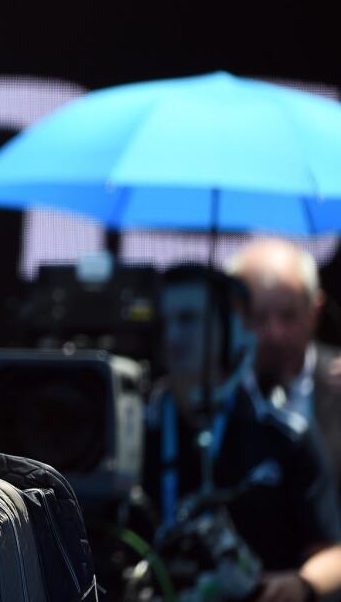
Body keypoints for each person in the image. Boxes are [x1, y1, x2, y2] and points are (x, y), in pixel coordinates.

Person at [144, 264, 341, 602]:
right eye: (167, 321)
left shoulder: (284, 433)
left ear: (236, 330)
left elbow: (333, 553)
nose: (173, 336)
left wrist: (301, 585)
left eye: (190, 320)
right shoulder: (138, 426)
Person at [229, 238, 341, 494]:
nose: (274, 334)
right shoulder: (217, 395)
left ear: (315, 310)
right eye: (259, 317)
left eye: (288, 315)